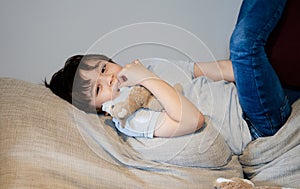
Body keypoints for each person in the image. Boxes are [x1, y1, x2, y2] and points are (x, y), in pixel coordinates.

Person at [45, 0, 291, 145]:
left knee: (248, 20)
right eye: (98, 89)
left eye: (104, 68)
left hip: (253, 97)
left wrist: (254, 77)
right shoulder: (130, 118)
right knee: (242, 44)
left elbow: (212, 70)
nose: (108, 78)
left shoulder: (147, 66)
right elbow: (193, 120)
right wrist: (145, 79)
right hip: (253, 123)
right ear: (98, 108)